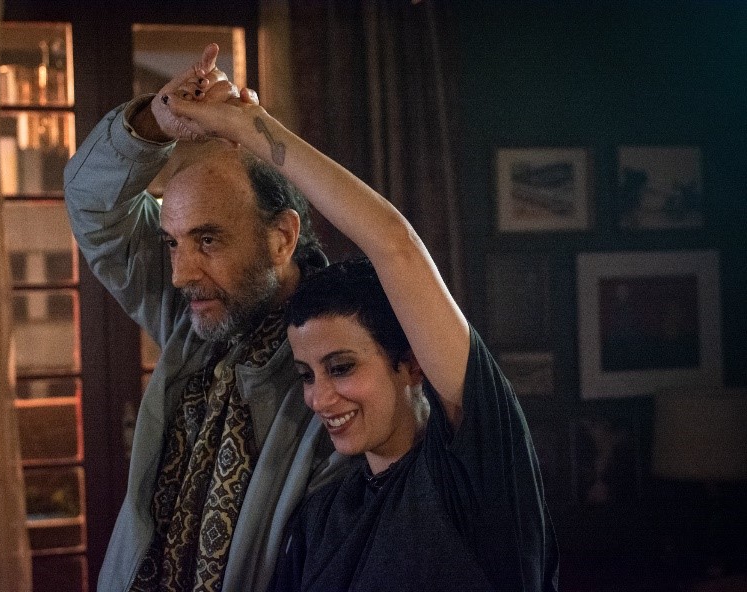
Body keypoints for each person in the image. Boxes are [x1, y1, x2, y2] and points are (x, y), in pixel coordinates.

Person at [165, 54, 560, 591]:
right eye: (307, 375)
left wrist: (247, 126)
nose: (320, 398)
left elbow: (393, 244)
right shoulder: (320, 518)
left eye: (341, 367)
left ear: (411, 364)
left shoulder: (473, 475)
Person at [63, 44, 348, 592]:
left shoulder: (340, 362)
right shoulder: (194, 315)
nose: (180, 274)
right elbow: (93, 208)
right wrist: (156, 122)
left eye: (208, 240)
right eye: (173, 243)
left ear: (282, 238)